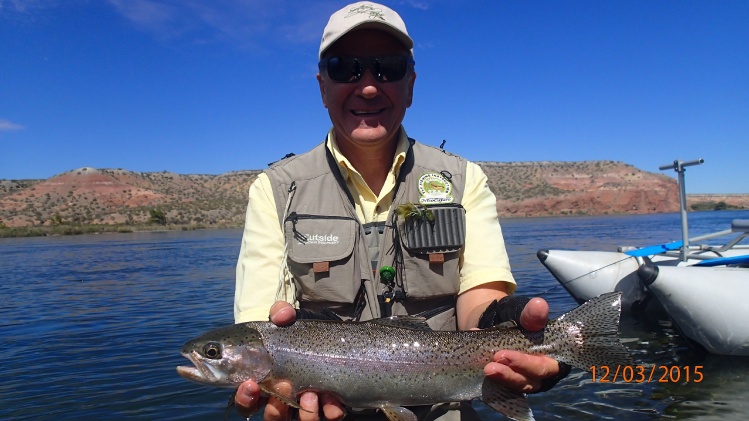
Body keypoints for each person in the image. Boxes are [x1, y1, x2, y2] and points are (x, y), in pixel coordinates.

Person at [233, 2, 568, 420]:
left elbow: (480, 299)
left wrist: (511, 327)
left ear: (411, 84)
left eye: (388, 67)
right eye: (345, 67)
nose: (369, 86)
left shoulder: (464, 179)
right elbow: (261, 328)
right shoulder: (275, 190)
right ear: (322, 87)